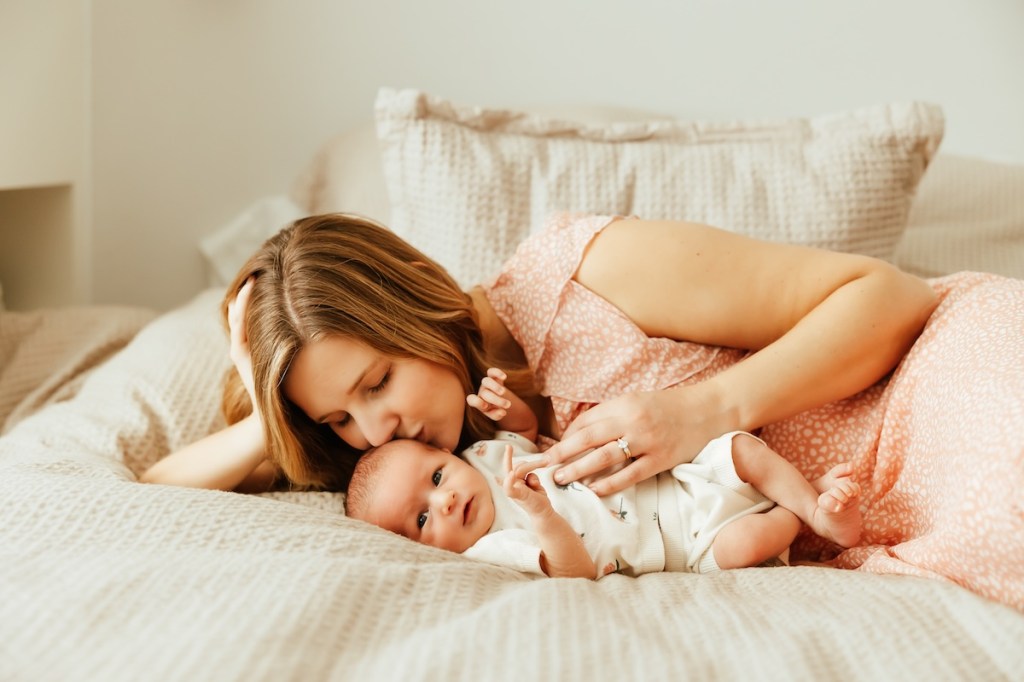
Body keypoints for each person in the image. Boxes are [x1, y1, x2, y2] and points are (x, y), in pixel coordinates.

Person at [141, 212, 1024, 609]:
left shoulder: (581, 277)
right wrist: (268, 405)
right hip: (859, 505)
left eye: (376, 383)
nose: (376, 432)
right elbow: (158, 492)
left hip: (932, 376)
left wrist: (704, 409)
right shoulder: (429, 477)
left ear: (412, 301)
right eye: (338, 420)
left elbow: (891, 296)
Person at [344, 369, 862, 578]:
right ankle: (796, 514)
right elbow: (572, 571)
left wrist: (508, 409)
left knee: (741, 449)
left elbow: (528, 434)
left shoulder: (482, 457)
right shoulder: (489, 549)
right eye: (422, 519)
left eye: (436, 478)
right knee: (745, 545)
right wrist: (541, 514)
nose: (445, 501)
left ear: (447, 455)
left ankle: (813, 506)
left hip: (674, 478)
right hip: (683, 541)